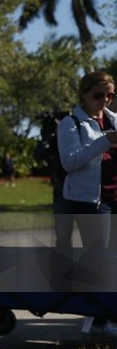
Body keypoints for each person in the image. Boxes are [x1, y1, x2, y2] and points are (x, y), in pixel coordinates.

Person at [55, 71, 117, 333]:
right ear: (83, 94)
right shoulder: (71, 124)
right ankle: (98, 316)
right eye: (98, 95)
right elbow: (69, 161)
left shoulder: (115, 120)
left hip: (115, 196)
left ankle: (107, 314)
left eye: (110, 95)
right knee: (99, 260)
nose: (105, 100)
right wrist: (105, 141)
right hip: (91, 201)